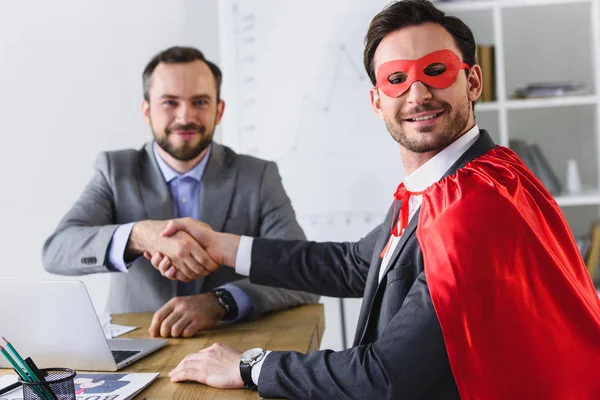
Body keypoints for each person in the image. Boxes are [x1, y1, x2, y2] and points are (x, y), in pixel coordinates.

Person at [147, 1, 600, 399]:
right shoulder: (448, 181)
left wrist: (249, 366)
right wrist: (222, 247)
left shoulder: (471, 203)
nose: (418, 93)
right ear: (377, 100)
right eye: (397, 79)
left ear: (474, 81)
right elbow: (356, 264)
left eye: (436, 71)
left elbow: (384, 376)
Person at [42, 46, 318, 338]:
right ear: (147, 111)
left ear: (219, 110)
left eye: (199, 102)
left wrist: (221, 301)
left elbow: (303, 274)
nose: (185, 117)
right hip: (135, 343)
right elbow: (57, 251)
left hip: (230, 343)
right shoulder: (115, 171)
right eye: (170, 103)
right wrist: (138, 235)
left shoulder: (258, 177)